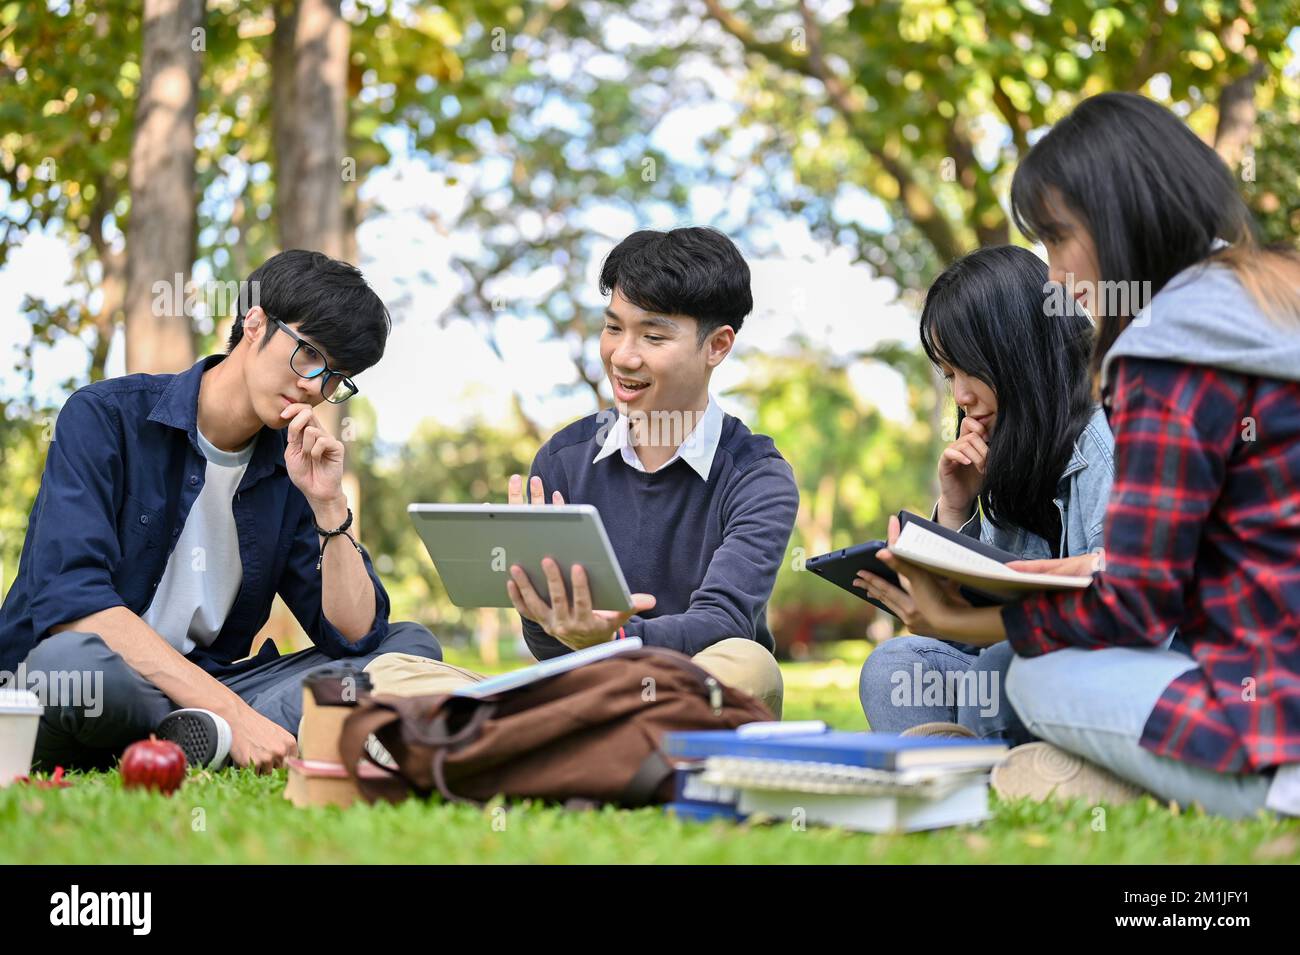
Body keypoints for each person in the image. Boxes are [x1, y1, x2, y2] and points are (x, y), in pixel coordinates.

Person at [878, 92, 1300, 818]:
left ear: (1122, 219)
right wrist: (975, 527)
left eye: (1059, 237)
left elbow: (1137, 609)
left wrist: (966, 624)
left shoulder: (1170, 351)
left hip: (1263, 712)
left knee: (1035, 677)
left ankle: (1219, 788)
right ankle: (1046, 770)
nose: (1058, 276)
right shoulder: (1265, 299)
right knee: (908, 666)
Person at [0, 250, 441, 773]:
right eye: (309, 355)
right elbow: (71, 603)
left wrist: (328, 506)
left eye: (335, 377)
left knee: (407, 646)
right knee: (70, 664)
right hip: (92, 674)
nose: (314, 387)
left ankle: (198, 735)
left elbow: (353, 635)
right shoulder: (105, 417)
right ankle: (227, 729)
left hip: (208, 682)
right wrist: (234, 711)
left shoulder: (290, 466)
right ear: (255, 323)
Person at [353, 227, 798, 719]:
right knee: (388, 672)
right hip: (578, 693)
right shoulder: (563, 458)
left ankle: (525, 741)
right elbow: (548, 651)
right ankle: (586, 744)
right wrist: (544, 611)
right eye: (613, 328)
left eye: (652, 336)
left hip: (684, 688)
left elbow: (724, 622)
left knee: (749, 666)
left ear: (717, 346)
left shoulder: (757, 476)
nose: (623, 356)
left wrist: (617, 637)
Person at [857, 245, 1111, 743]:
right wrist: (955, 507)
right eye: (949, 375)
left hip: (1107, 670)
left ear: (1018, 350)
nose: (961, 397)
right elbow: (961, 632)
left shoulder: (1106, 440)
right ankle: (955, 779)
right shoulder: (1007, 453)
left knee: (996, 669)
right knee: (894, 667)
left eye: (967, 369)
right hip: (1017, 671)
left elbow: (1133, 618)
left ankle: (992, 782)